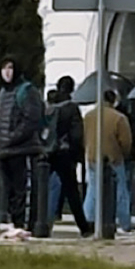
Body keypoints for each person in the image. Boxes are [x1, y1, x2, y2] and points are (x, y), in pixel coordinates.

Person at [0, 56, 42, 238]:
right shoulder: (3, 92)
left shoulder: (26, 91)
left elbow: (31, 120)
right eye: (4, 68)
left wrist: (12, 138)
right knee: (8, 189)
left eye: (10, 68)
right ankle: (12, 222)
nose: (7, 72)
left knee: (20, 189)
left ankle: (21, 223)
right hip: (4, 150)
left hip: (20, 149)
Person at [86, 81, 135, 241]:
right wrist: (123, 154)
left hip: (93, 156)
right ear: (114, 101)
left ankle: (89, 219)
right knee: (120, 191)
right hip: (113, 158)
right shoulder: (119, 118)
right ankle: (124, 222)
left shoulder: (89, 116)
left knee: (93, 189)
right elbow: (126, 141)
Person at [45, 75, 89, 237]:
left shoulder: (49, 105)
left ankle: (43, 223)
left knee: (44, 188)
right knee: (72, 192)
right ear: (72, 89)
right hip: (65, 153)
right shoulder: (71, 108)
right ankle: (83, 227)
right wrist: (77, 155)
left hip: (47, 152)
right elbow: (77, 135)